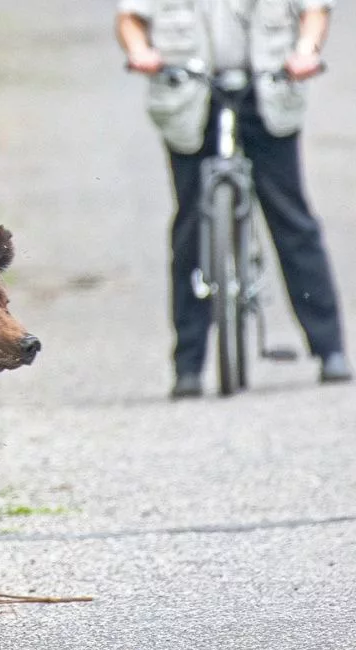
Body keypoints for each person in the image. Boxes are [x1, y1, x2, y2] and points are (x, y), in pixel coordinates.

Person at [115, 0, 351, 398]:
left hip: (270, 89)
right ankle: (188, 364)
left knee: (290, 216)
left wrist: (305, 52)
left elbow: (315, 11)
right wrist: (141, 52)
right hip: (189, 92)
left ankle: (330, 348)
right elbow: (131, 19)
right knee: (191, 221)